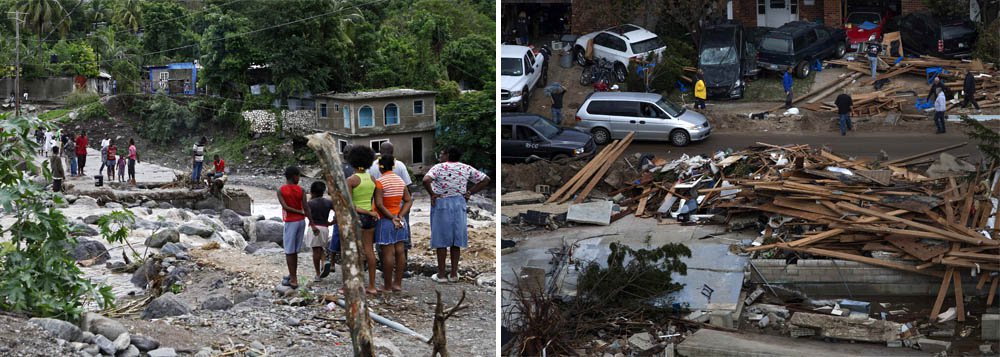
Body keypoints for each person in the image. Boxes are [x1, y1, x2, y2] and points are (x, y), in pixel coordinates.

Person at [422, 146, 491, 283]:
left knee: (441, 239)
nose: (440, 156)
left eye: (441, 153)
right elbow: (485, 179)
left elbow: (425, 180)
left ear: (447, 155)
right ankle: (454, 274)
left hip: (442, 202)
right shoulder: (466, 168)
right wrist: (470, 192)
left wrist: (432, 194)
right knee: (456, 239)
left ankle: (441, 275)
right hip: (459, 203)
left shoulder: (438, 167)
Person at [374, 156, 412, 292]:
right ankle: (398, 284)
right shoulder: (400, 181)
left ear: (380, 167)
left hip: (386, 221)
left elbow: (379, 204)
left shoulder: (380, 182)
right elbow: (408, 200)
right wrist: (400, 215)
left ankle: (388, 286)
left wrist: (391, 217)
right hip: (400, 221)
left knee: (388, 254)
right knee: (400, 251)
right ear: (393, 166)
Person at [346, 145, 379, 294]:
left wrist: (365, 212)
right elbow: (375, 201)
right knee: (369, 250)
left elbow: (350, 205)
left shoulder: (351, 180)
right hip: (370, 218)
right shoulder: (372, 179)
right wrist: (371, 213)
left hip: (357, 218)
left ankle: (355, 284)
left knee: (354, 252)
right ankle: (372, 285)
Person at [277, 166, 311, 289]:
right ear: (294, 176)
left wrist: (299, 212)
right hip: (301, 222)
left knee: (289, 251)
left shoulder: (281, 190)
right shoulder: (301, 190)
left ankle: (293, 278)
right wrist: (310, 221)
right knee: (295, 251)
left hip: (291, 222)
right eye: (299, 176)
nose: (299, 178)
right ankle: (293, 275)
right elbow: (306, 207)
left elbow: (285, 207)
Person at [306, 181, 334, 282]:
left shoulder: (310, 203)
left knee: (315, 251)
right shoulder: (328, 202)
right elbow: (339, 212)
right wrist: (332, 222)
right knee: (320, 248)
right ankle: (324, 261)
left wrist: (313, 225)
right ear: (323, 191)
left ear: (312, 191)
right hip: (325, 228)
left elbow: (306, 215)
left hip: (314, 228)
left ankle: (318, 274)